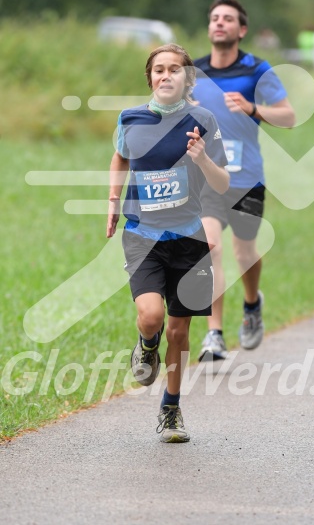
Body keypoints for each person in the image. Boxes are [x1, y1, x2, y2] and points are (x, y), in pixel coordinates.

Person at [106, 43, 229, 443]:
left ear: (187, 78)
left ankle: (171, 409)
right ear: (150, 77)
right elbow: (120, 157)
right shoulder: (131, 118)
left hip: (189, 238)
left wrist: (202, 158)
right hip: (143, 235)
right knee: (152, 316)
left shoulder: (203, 120)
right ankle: (145, 344)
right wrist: (112, 200)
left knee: (180, 333)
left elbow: (222, 182)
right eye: (159, 69)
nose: (166, 75)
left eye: (175, 69)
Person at [193, 0, 295, 362]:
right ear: (209, 27)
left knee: (245, 252)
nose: (219, 22)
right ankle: (214, 334)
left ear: (242, 29)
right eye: (214, 17)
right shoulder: (194, 72)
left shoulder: (257, 69)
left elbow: (288, 116)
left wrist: (254, 109)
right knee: (210, 247)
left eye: (228, 18)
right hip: (207, 177)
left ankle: (252, 303)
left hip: (248, 178)